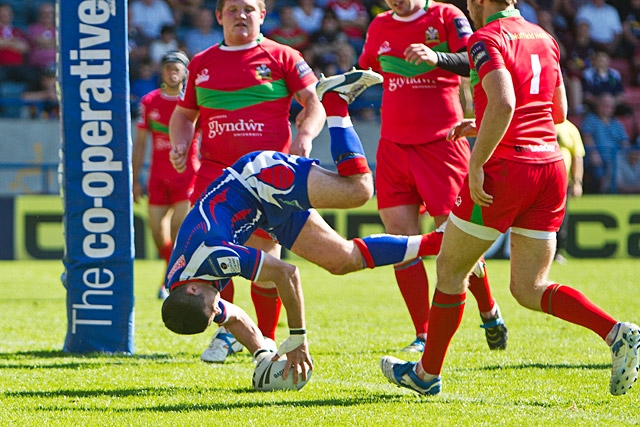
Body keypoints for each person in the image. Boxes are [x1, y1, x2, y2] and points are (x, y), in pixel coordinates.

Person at [379, 0, 640, 397]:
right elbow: (558, 111)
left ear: (481, 3)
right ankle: (617, 332)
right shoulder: (545, 37)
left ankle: (426, 373)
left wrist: (478, 159)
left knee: (450, 270)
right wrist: (483, 126)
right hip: (549, 166)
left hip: (506, 168)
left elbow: (503, 102)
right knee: (529, 287)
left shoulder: (487, 39)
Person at [162, 71, 440, 381]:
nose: (219, 309)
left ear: (192, 288)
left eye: (213, 308)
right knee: (342, 260)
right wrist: (263, 356)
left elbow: (287, 273)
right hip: (262, 210)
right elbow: (235, 317)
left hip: (258, 180)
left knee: (359, 190)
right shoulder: (189, 286)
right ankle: (439, 241)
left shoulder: (212, 257)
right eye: (215, 312)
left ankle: (335, 103)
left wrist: (296, 338)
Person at [169, 0, 326, 364]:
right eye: (234, 9)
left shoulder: (283, 56)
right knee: (214, 259)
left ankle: (265, 339)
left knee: (265, 262)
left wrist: (305, 135)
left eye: (250, 8)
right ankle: (228, 331)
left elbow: (314, 102)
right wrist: (180, 142)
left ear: (262, 15)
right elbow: (183, 115)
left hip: (266, 178)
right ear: (219, 16)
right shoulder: (201, 63)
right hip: (214, 174)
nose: (242, 15)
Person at [358, 0, 507, 354]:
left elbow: (475, 60)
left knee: (457, 240)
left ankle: (488, 310)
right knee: (400, 242)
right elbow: (366, 70)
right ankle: (422, 334)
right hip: (393, 145)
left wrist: (436, 57)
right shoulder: (379, 26)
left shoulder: (447, 16)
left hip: (443, 143)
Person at [133, 51, 200, 300]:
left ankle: (169, 281)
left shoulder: (192, 103)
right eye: (168, 68)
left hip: (187, 175)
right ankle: (176, 273)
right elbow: (139, 143)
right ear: (161, 72)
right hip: (157, 177)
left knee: (177, 230)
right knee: (157, 234)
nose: (173, 72)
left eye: (177, 68)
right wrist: (134, 179)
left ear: (185, 73)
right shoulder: (149, 102)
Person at [581, 92, 630, 193]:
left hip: (616, 161)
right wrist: (594, 154)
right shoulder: (590, 120)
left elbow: (625, 143)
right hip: (598, 160)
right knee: (598, 172)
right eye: (605, 105)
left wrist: (626, 158)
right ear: (598, 106)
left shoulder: (617, 124)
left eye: (611, 106)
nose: (608, 108)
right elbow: (587, 138)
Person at [554, 119, 585, 263]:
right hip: (539, 180)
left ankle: (558, 251)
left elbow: (577, 157)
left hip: (563, 182)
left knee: (561, 218)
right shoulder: (538, 121)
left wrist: (577, 182)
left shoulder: (570, 128)